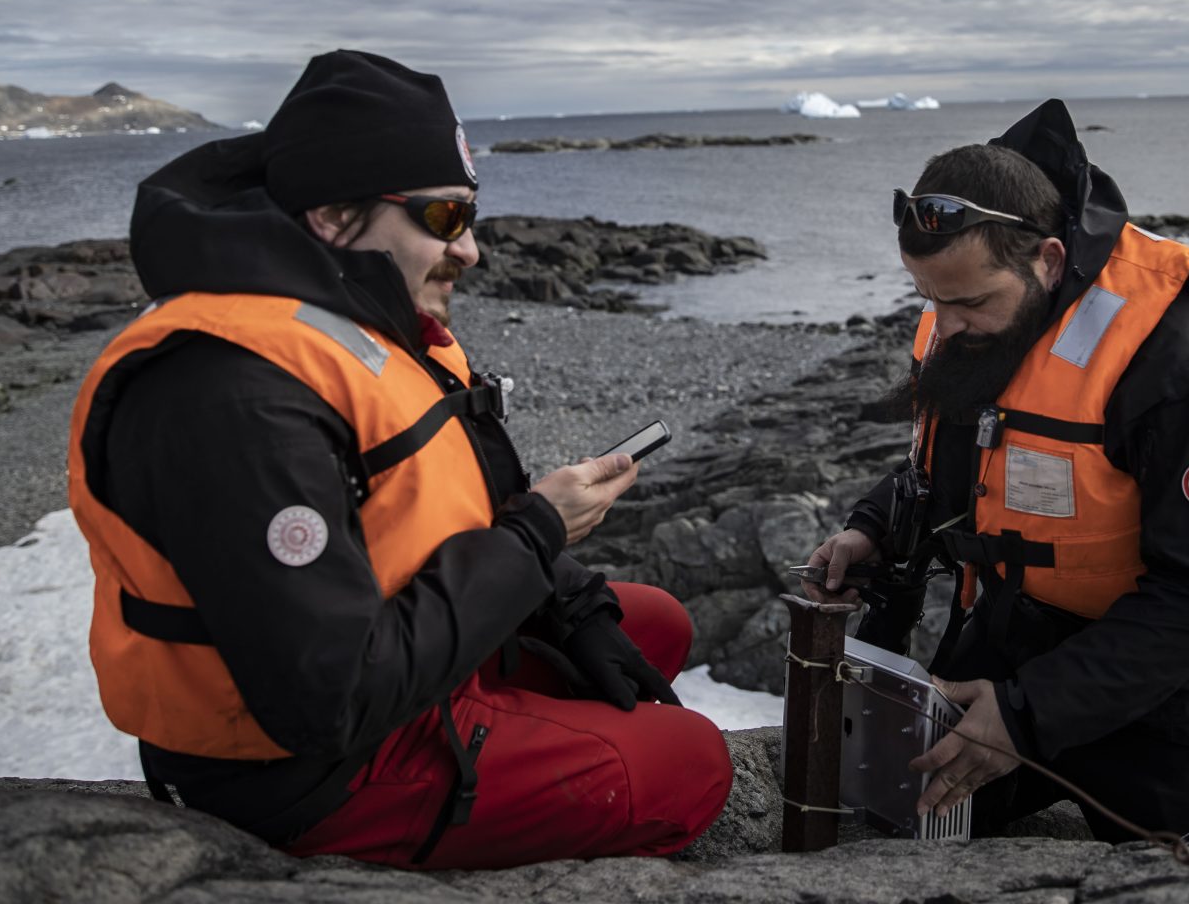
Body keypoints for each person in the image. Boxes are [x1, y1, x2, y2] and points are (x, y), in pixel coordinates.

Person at [68, 50, 731, 869]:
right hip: (305, 773)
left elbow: (449, 509)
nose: (472, 252)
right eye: (445, 219)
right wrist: (534, 537)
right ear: (333, 217)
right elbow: (328, 698)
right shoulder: (233, 393)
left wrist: (570, 605)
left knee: (650, 624)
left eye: (470, 216)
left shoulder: (349, 323)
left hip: (394, 662)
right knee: (691, 765)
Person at [805, 99, 1189, 845]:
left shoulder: (1183, 359)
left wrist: (1026, 716)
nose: (942, 326)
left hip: (1153, 694)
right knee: (887, 834)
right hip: (1000, 650)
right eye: (929, 299)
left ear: (1048, 260)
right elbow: (957, 468)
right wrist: (875, 528)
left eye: (968, 302)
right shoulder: (967, 310)